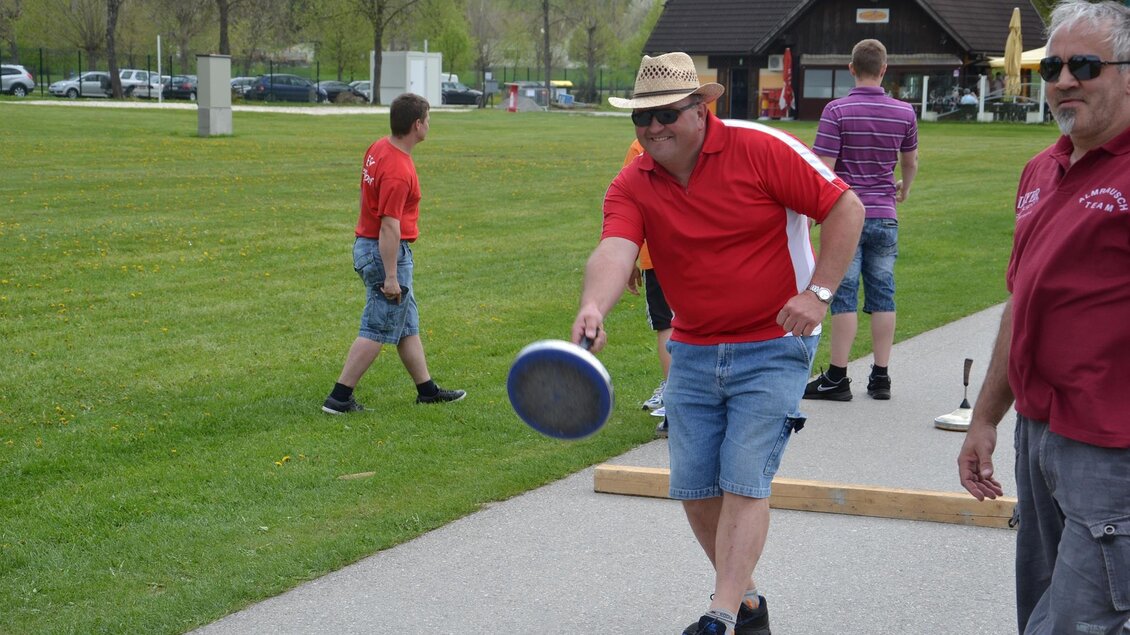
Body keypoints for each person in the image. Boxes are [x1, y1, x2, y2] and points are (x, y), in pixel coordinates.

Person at [572, 52, 864, 635]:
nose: (653, 127)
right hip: (694, 346)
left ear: (701, 109)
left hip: (775, 341)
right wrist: (593, 306)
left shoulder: (760, 148)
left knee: (744, 475)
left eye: (667, 114)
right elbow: (616, 249)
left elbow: (845, 207)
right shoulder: (633, 181)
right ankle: (749, 605)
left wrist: (819, 293)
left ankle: (721, 615)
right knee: (696, 487)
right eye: (642, 117)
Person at [957, 2, 1130, 633]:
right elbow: (1021, 302)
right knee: (1038, 604)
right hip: (1038, 433)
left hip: (1111, 448)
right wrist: (984, 418)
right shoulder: (1041, 168)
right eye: (1052, 67)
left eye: (1084, 65)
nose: (1063, 80)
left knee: (1080, 622)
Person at [322, 93, 466, 414]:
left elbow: (365, 194)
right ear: (417, 125)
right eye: (428, 119)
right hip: (385, 253)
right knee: (377, 326)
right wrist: (390, 276)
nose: (429, 124)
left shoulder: (378, 148)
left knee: (406, 325)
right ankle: (339, 397)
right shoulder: (400, 170)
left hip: (368, 243)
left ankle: (427, 390)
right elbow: (389, 226)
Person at [804, 39, 919, 402]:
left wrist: (813, 213)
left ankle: (838, 376)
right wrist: (904, 189)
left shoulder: (836, 111)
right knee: (884, 293)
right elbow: (910, 162)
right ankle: (881, 376)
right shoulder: (904, 112)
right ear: (884, 69)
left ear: (851, 68)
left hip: (846, 215)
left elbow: (824, 169)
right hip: (885, 213)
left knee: (844, 295)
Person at [622, 139, 675, 438]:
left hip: (658, 254)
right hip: (701, 250)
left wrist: (630, 256)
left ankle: (674, 405)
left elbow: (630, 206)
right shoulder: (701, 138)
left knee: (667, 325)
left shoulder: (640, 145)